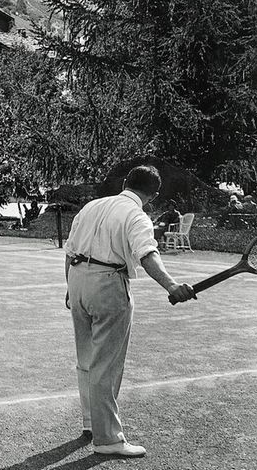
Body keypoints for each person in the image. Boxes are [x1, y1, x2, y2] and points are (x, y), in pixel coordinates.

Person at [64, 166, 194, 457]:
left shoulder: (91, 206)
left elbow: (70, 251)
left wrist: (70, 289)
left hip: (77, 278)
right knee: (106, 364)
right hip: (108, 282)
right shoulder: (137, 215)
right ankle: (107, 438)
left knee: (86, 357)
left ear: (125, 182)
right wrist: (171, 286)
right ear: (154, 195)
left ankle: (90, 422)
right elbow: (147, 254)